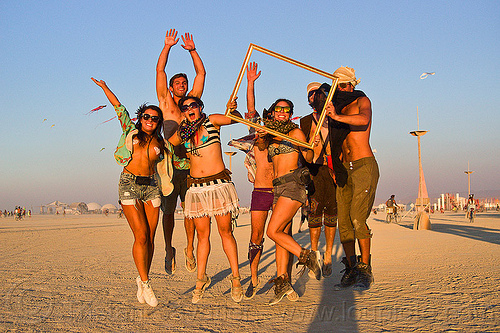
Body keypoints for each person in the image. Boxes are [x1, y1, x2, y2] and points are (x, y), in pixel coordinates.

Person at [92, 77, 170, 307]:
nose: (150, 120)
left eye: (155, 118)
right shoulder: (130, 131)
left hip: (152, 187)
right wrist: (106, 87)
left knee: (151, 240)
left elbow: (176, 164)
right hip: (129, 185)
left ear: (158, 122)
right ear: (140, 118)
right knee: (141, 235)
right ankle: (145, 283)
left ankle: (141, 277)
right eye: (146, 116)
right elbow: (119, 109)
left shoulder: (161, 143)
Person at [168, 96, 243, 304]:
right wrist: (185, 123)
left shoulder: (212, 121)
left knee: (225, 231)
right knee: (203, 235)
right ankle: (201, 278)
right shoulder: (184, 132)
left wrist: (232, 110)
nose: (190, 109)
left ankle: (236, 279)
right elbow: (172, 141)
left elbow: (235, 119)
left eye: (193, 105)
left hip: (218, 184)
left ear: (200, 107)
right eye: (185, 107)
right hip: (196, 188)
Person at [256, 98, 319, 305]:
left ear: (291, 113)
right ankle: (283, 282)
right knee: (280, 234)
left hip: (293, 183)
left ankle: (308, 256)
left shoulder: (295, 133)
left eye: (287, 109)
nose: (282, 112)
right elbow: (262, 144)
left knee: (272, 231)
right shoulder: (270, 135)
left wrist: (312, 146)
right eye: (278, 109)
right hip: (277, 186)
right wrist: (262, 133)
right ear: (273, 112)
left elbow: (309, 157)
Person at [156, 29, 206, 275]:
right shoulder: (165, 102)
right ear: (170, 87)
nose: (182, 86)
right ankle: (168, 248)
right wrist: (167, 47)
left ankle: (189, 247)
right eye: (178, 83)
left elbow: (201, 73)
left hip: (190, 163)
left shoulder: (191, 104)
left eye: (184, 84)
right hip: (169, 164)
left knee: (189, 211)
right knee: (167, 212)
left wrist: (192, 50)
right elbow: (160, 71)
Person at [325, 66, 379, 291]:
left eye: (343, 84)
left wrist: (337, 116)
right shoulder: (335, 108)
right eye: (337, 85)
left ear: (351, 84)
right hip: (343, 168)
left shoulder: (361, 101)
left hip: (363, 165)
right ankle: (351, 268)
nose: (341, 89)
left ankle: (365, 269)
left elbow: (364, 120)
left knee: (358, 218)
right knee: (344, 223)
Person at [242, 62, 276, 299]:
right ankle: (253, 277)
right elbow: (251, 110)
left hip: (282, 191)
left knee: (283, 234)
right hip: (261, 191)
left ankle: (283, 278)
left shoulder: (283, 138)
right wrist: (250, 83)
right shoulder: (258, 137)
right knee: (257, 236)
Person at [300, 81, 338, 278]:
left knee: (331, 216)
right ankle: (314, 252)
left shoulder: (334, 117)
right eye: (311, 95)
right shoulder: (305, 121)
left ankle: (329, 254)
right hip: (313, 171)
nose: (315, 97)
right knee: (314, 216)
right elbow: (301, 148)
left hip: (331, 171)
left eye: (318, 93)